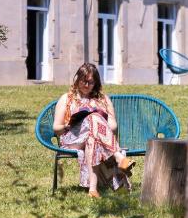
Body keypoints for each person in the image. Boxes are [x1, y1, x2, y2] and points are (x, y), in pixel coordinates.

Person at [53, 63, 134, 198]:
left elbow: (113, 126)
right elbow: (56, 128)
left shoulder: (102, 99)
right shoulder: (67, 98)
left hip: (95, 138)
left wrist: (98, 121)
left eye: (90, 82)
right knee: (94, 117)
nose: (86, 85)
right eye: (83, 81)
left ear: (95, 83)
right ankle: (118, 156)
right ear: (77, 79)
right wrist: (69, 125)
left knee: (92, 135)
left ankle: (93, 189)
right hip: (71, 138)